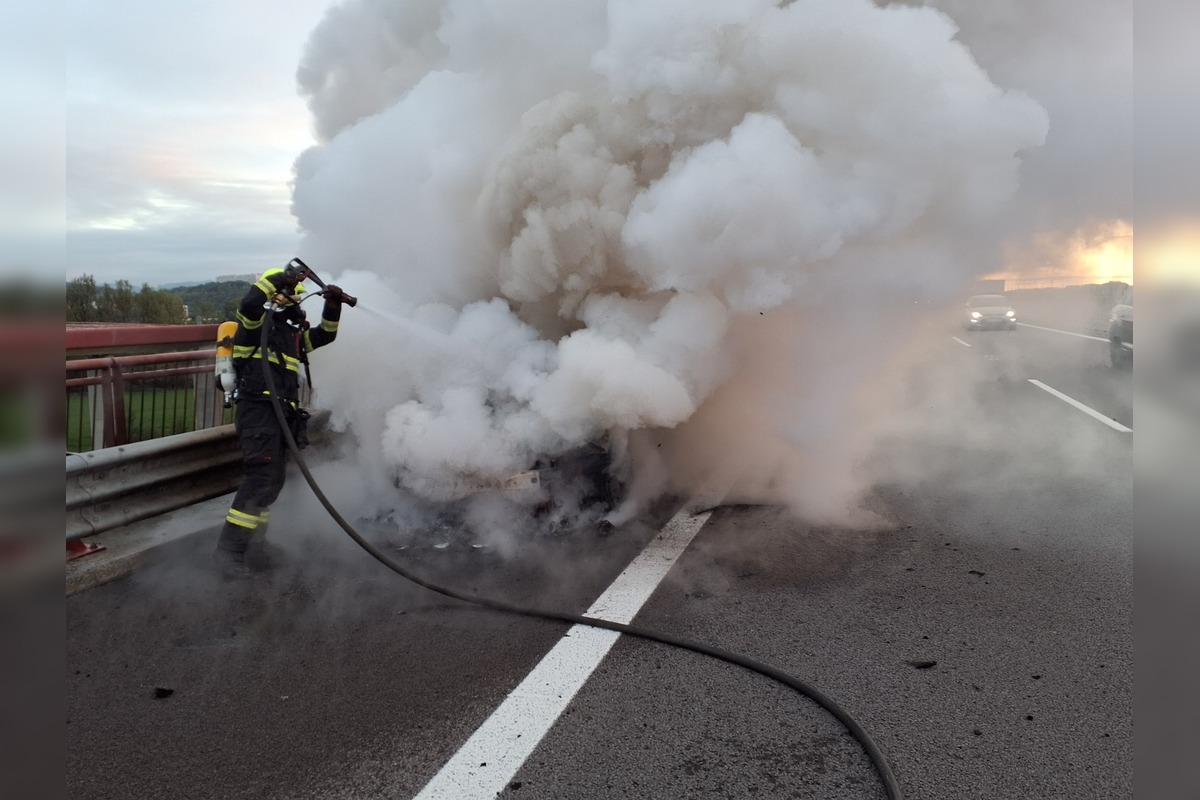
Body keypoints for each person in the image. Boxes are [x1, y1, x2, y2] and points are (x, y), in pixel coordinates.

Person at [213, 263, 350, 577]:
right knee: (261, 478)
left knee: (272, 481)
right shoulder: (255, 323)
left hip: (281, 412)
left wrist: (332, 304)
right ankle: (229, 553)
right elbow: (249, 304)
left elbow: (326, 336)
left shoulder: (292, 334)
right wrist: (279, 278)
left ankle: (255, 547)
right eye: (291, 297)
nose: (296, 306)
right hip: (258, 409)